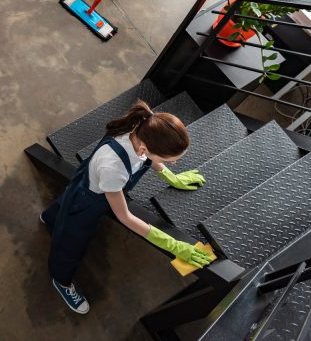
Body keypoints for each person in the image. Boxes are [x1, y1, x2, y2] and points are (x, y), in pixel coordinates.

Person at [41, 101, 214, 314]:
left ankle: (50, 218)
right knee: (71, 241)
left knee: (66, 202)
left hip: (91, 178)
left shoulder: (143, 128)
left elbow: (150, 158)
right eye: (170, 162)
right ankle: (61, 280)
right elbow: (125, 217)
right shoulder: (114, 169)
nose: (173, 164)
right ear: (145, 148)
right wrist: (174, 245)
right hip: (89, 200)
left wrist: (172, 177)